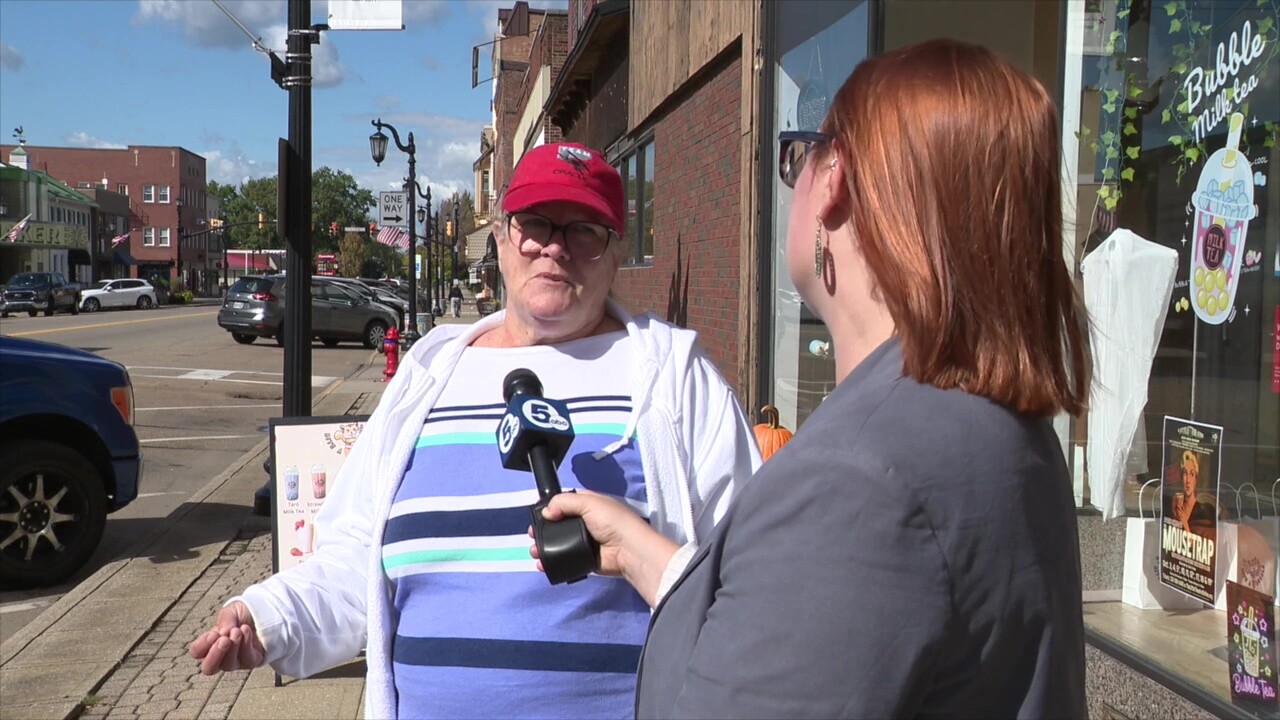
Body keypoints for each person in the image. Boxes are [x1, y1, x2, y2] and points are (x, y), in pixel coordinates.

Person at [536, 39, 1091, 718]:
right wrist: (641, 554)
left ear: (836, 184)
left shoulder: (856, 476)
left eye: (800, 155)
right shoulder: (1007, 430)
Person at [188, 141, 761, 720]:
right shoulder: (430, 373)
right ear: (503, 240)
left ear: (616, 253)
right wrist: (271, 616)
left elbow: (749, 578)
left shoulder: (673, 382)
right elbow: (356, 559)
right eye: (535, 224)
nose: (554, 247)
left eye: (584, 230)